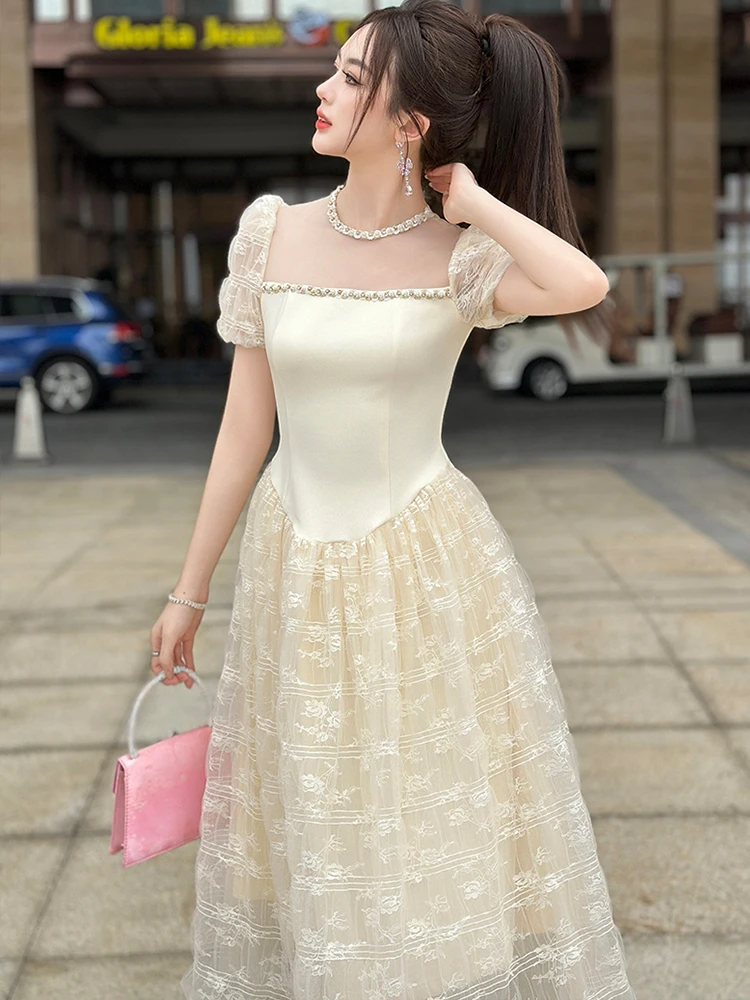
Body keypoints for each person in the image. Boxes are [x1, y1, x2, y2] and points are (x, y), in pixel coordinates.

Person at [149, 1, 638, 997]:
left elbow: (582, 282)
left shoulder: (460, 260)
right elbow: (246, 430)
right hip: (294, 565)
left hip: (419, 566)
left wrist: (472, 200)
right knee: (317, 821)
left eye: (346, 75)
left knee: (427, 814)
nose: (321, 91)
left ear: (409, 119)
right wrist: (188, 591)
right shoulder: (269, 232)